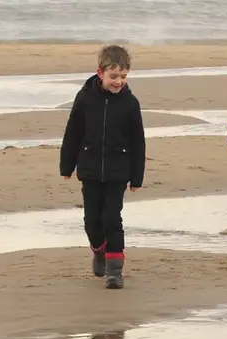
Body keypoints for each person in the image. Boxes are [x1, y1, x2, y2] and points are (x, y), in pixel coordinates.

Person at [59, 44, 146, 290]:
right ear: (100, 73)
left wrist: (136, 176)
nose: (119, 82)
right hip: (90, 169)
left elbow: (138, 142)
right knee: (92, 220)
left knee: (111, 218)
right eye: (114, 76)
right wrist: (67, 164)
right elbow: (73, 132)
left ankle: (114, 272)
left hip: (119, 170)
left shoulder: (130, 103)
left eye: (123, 77)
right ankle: (99, 251)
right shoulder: (85, 98)